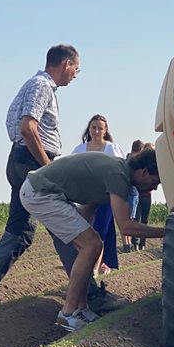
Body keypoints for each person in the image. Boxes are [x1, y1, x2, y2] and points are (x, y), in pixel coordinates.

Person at [0, 45, 126, 315]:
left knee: (20, 232)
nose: (75, 75)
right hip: (33, 164)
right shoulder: (41, 86)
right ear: (65, 64)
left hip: (22, 161)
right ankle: (91, 296)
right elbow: (28, 127)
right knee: (68, 229)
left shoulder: (36, 85)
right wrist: (48, 168)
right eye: (76, 69)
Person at [20, 148, 164, 331]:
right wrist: (168, 232)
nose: (155, 188)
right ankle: (67, 314)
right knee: (93, 245)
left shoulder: (118, 172)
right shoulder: (118, 175)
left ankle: (81, 309)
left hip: (45, 192)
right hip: (40, 193)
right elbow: (126, 227)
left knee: (91, 246)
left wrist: (83, 243)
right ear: (144, 171)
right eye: (156, 181)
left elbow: (88, 208)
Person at [71, 115, 126, 274]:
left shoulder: (111, 149)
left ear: (105, 130)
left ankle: (93, 268)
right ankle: (98, 263)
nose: (96, 131)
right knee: (85, 231)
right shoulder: (79, 150)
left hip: (105, 196)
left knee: (100, 231)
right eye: (93, 127)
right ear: (89, 129)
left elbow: (121, 170)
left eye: (100, 128)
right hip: (85, 197)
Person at [122, 139, 144, 252]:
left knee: (127, 219)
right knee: (128, 219)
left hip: (129, 192)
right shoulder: (132, 161)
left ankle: (128, 244)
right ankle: (126, 245)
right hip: (131, 192)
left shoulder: (126, 159)